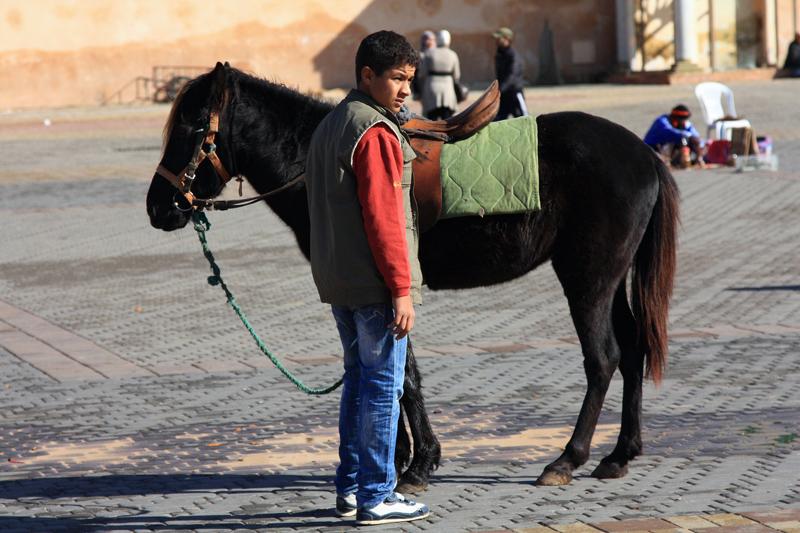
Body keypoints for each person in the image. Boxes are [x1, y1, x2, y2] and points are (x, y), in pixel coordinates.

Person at [304, 30, 429, 526]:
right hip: (376, 288)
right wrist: (401, 289)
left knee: (358, 383)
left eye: (409, 80)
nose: (404, 90)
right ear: (367, 76)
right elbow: (385, 221)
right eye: (396, 79)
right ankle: (377, 494)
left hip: (341, 283)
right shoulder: (373, 133)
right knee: (382, 387)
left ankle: (352, 488)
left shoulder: (332, 123)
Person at [418, 29, 462, 120]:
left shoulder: (429, 53)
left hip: (431, 89)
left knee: (431, 121)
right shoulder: (453, 55)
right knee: (447, 121)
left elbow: (422, 73)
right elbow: (457, 75)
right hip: (448, 90)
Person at [492, 27, 528, 120]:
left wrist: (501, 89)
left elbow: (512, 76)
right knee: (498, 121)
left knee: (523, 120)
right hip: (504, 95)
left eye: (499, 38)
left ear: (507, 39)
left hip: (514, 93)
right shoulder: (499, 55)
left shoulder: (513, 55)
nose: (496, 41)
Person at [411, 30, 436, 99]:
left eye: (430, 39)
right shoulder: (421, 54)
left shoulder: (436, 53)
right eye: (425, 39)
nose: (427, 41)